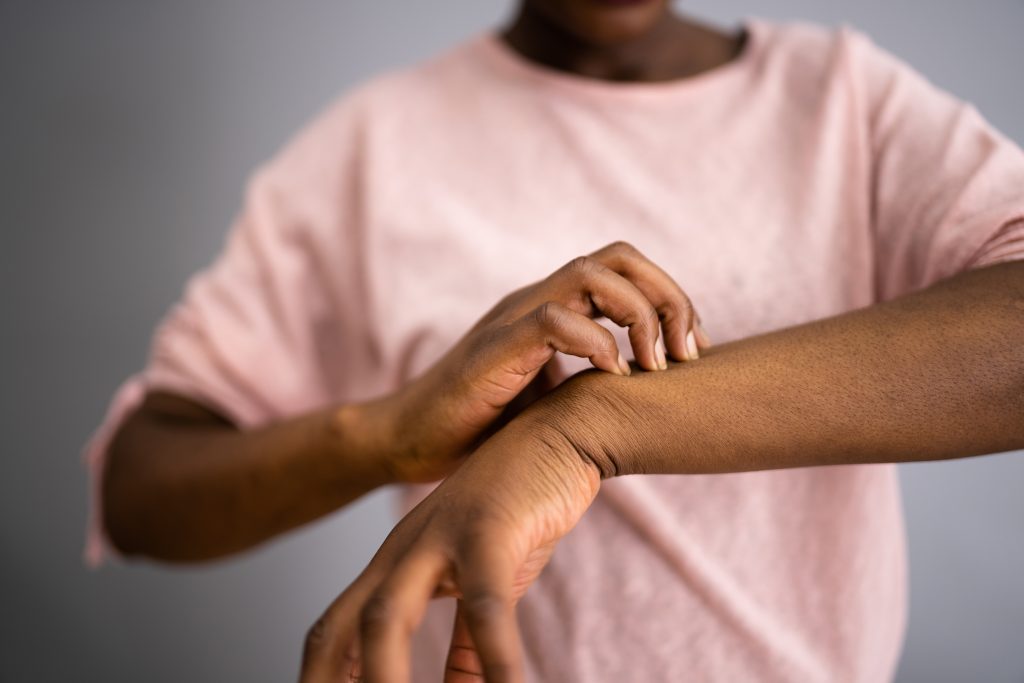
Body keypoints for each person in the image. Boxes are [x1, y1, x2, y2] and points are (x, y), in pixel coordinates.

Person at [84, 1, 1024, 681]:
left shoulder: (842, 103)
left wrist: (580, 430)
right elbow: (141, 486)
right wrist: (392, 433)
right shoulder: (371, 147)